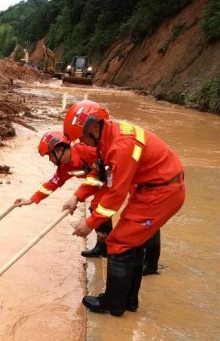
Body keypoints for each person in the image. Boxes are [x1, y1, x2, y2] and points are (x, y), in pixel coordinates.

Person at [62, 100, 185, 316]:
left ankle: (113, 303)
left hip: (161, 192)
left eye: (82, 137)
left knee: (119, 242)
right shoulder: (107, 137)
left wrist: (90, 223)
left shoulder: (121, 146)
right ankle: (128, 300)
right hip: (149, 189)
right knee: (133, 243)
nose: (82, 142)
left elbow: (116, 194)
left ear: (93, 127)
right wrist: (77, 196)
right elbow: (100, 174)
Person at [14, 131, 112, 258]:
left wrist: (76, 197)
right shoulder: (64, 167)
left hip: (114, 176)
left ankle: (112, 248)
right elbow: (52, 184)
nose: (50, 160)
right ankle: (103, 248)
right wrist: (31, 200)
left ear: (60, 150)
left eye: (50, 155)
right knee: (96, 208)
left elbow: (99, 174)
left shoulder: (88, 151)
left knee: (99, 207)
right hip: (102, 180)